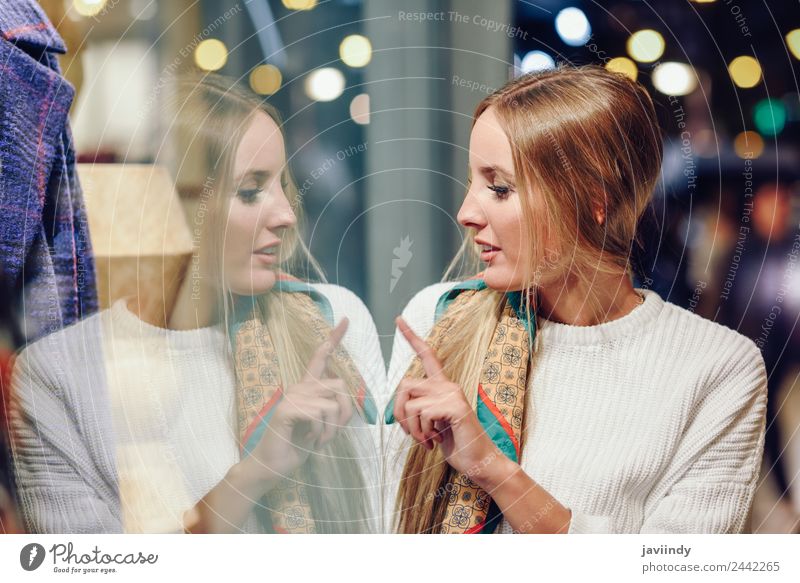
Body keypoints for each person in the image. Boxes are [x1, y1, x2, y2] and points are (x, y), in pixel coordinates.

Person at [383, 65, 768, 534]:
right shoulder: (439, 318)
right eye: (472, 182)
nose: (466, 212)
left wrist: (494, 470)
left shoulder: (717, 368)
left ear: (593, 200)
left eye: (499, 188)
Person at [10, 74, 385, 534]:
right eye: (250, 191)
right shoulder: (57, 376)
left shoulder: (330, 322)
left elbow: (380, 526)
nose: (286, 214)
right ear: (178, 201)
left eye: (283, 185)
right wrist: (253, 473)